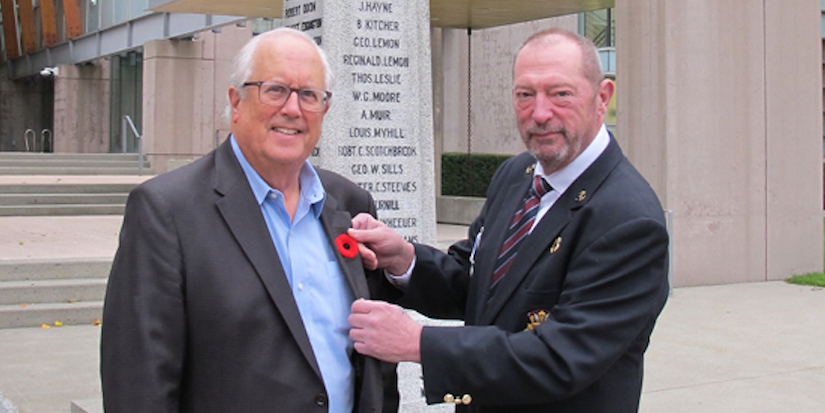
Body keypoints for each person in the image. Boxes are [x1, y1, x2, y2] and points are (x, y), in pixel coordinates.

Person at [347, 28, 669, 412]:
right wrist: (404, 260)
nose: (540, 112)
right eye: (525, 95)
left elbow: (560, 358)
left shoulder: (629, 221)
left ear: (603, 98)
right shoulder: (516, 175)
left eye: (560, 93)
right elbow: (477, 287)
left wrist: (418, 342)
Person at [100, 28, 399, 413]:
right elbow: (138, 386)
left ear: (324, 111)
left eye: (309, 95)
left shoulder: (350, 204)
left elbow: (374, 360)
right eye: (275, 90)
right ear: (236, 102)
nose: (292, 109)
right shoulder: (166, 211)